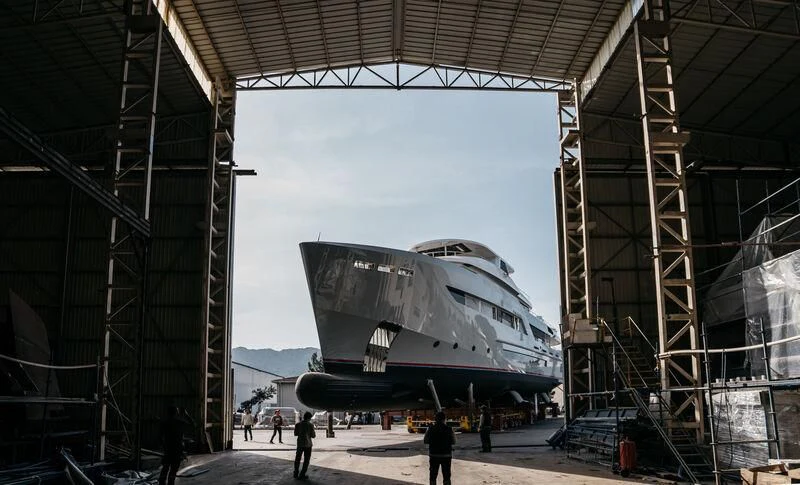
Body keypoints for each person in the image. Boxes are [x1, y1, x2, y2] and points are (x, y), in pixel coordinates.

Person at [423, 411, 456, 485]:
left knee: (433, 475)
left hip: (434, 455)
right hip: (446, 455)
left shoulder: (430, 429)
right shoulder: (449, 429)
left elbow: (425, 441)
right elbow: (454, 441)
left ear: (435, 419)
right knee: (446, 475)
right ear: (444, 419)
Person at [158, 406, 184, 485]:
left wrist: (163, 446)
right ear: (176, 413)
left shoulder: (164, 423)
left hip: (168, 449)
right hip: (177, 449)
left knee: (165, 467)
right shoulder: (180, 422)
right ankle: (170, 483)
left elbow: (159, 437)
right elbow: (194, 425)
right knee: (173, 469)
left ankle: (161, 482)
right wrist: (186, 415)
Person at [294, 411, 316, 479]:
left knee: (297, 459)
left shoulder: (298, 424)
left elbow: (295, 434)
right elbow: (313, 436)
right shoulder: (310, 425)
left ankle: (296, 473)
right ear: (309, 418)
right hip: (308, 445)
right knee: (306, 460)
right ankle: (302, 474)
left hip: (300, 444)